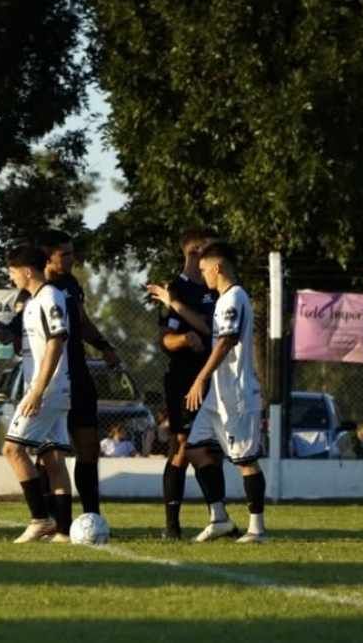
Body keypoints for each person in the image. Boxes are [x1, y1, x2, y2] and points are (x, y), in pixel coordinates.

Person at [176, 242, 268, 543]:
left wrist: (200, 378)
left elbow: (226, 342)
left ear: (218, 268)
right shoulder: (223, 299)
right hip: (218, 395)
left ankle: (257, 528)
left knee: (244, 461)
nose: (203, 277)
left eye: (204, 271)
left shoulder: (234, 297)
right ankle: (219, 519)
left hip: (236, 395)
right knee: (195, 448)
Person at [36, 230, 119, 520]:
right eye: (65, 254)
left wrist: (104, 346)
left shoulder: (71, 284)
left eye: (72, 252)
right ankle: (49, 518)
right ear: (48, 258)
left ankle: (92, 516)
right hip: (51, 381)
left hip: (79, 376)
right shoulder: (37, 290)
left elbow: (81, 322)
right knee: (48, 453)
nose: (72, 259)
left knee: (89, 447)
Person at [145, 228, 217, 539]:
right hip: (186, 380)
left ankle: (219, 518)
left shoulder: (221, 287)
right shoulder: (177, 289)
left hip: (218, 376)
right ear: (194, 253)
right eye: (209, 250)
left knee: (212, 450)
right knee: (183, 447)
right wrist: (184, 339)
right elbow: (165, 339)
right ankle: (172, 526)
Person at [2, 245, 73, 543]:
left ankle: (40, 518)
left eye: (12, 272)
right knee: (53, 460)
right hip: (50, 390)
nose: (11, 277)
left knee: (12, 449)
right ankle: (64, 531)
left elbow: (57, 341)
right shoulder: (32, 301)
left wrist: (38, 391)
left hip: (48, 391)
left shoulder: (51, 296)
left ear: (26, 271)